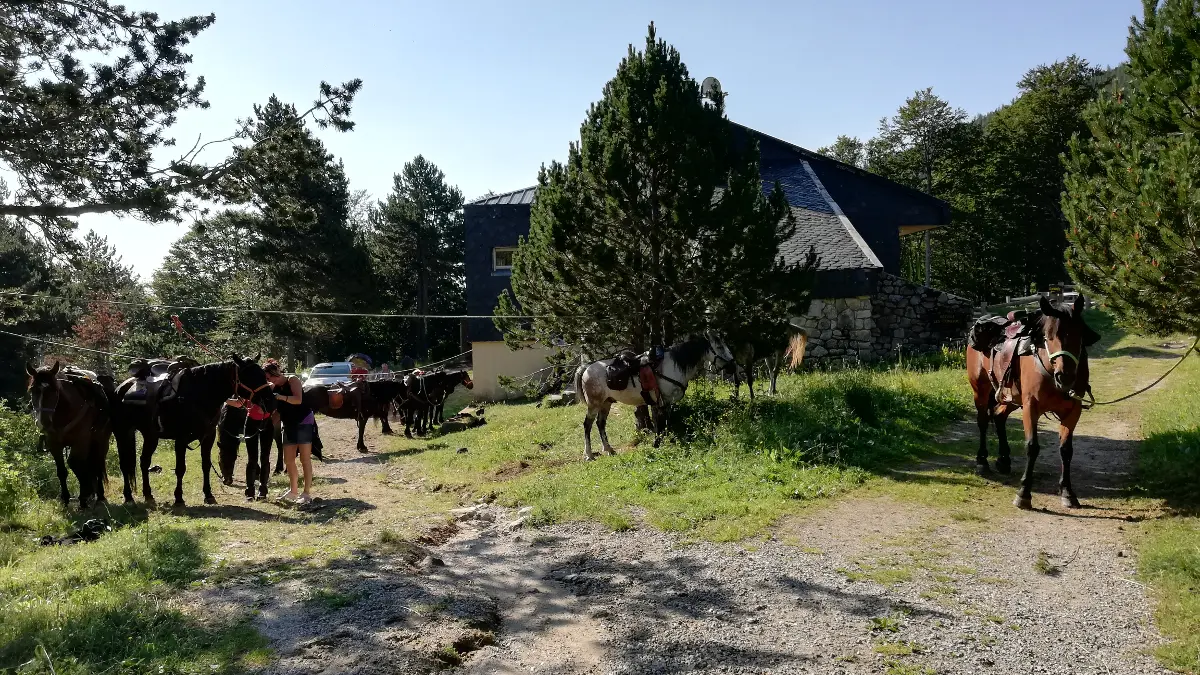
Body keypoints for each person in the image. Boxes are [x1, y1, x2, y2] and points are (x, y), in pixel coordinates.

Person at [264, 359, 314, 505]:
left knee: (305, 459)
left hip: (303, 421)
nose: (268, 380)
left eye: (269, 377)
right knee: (289, 460)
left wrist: (280, 397)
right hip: (288, 423)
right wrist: (267, 425)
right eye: (266, 378)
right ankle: (293, 491)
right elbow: (278, 411)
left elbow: (298, 400)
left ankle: (306, 493)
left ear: (276, 372)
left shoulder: (292, 380)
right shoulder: (273, 388)